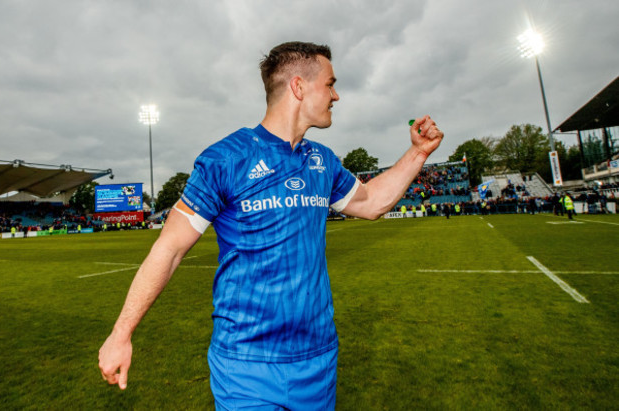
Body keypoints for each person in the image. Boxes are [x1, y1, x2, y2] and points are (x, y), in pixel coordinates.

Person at [98, 41, 444, 408]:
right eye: (329, 83)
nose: (336, 95)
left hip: (317, 361)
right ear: (298, 87)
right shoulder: (226, 160)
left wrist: (419, 152)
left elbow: (372, 202)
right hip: (246, 366)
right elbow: (169, 249)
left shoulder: (322, 161)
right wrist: (122, 333)